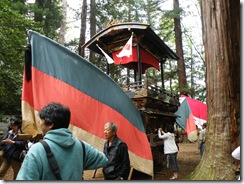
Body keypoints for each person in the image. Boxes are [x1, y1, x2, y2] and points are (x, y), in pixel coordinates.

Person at [16, 102, 108, 180]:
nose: (40, 123)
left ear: (50, 124)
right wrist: (78, 164)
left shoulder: (37, 150)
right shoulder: (82, 146)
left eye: (41, 120)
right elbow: (103, 160)